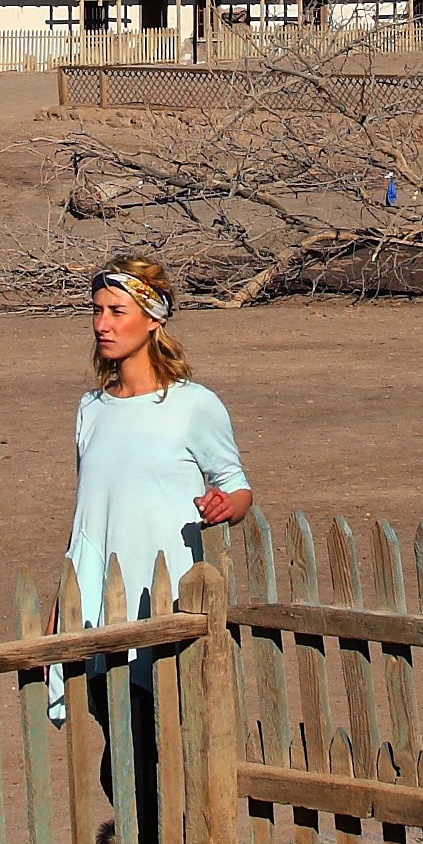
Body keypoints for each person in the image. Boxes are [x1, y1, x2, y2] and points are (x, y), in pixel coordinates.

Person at [66, 254, 252, 630]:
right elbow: (87, 518)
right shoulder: (91, 408)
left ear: (153, 318)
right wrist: (63, 599)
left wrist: (224, 506)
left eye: (117, 312)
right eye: (97, 311)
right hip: (92, 607)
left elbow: (237, 488)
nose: (103, 325)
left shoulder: (194, 404)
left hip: (167, 602)